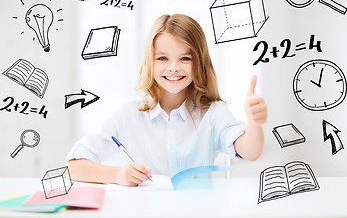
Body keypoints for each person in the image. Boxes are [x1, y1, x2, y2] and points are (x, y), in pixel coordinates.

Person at [66, 14, 267, 186]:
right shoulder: (127, 114)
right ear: (149, 62)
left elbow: (250, 152)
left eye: (185, 59)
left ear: (200, 63)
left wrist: (254, 123)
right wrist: (117, 174)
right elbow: (74, 167)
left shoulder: (213, 112)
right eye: (163, 58)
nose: (173, 67)